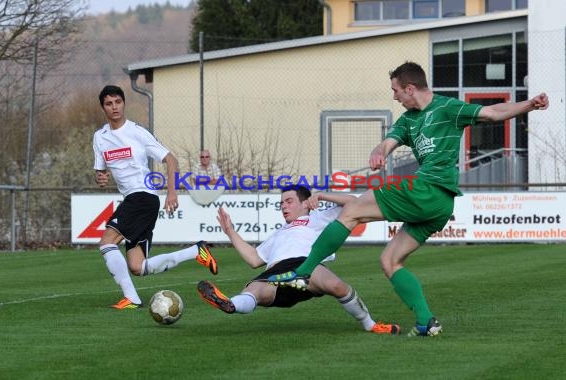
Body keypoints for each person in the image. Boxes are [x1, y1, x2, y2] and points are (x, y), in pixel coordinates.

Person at [269, 61, 549, 337]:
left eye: (396, 91)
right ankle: (426, 321)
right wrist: (380, 152)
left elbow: (492, 112)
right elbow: (388, 142)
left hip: (427, 189)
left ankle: (303, 271)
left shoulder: (447, 108)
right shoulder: (408, 120)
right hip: (439, 206)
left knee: (352, 209)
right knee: (390, 261)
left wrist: (528, 104)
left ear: (410, 88)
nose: (394, 96)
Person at [197, 185, 400, 334]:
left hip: (306, 265)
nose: (283, 206)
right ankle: (230, 304)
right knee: (254, 291)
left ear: (305, 204)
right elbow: (254, 259)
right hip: (276, 272)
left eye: (288, 201)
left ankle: (371, 325)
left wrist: (320, 195)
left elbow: (355, 203)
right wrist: (230, 231)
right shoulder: (278, 233)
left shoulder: (319, 217)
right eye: (281, 204)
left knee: (337, 286)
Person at [93, 85, 218, 309]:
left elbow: (170, 159)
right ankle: (196, 251)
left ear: (123, 103)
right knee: (137, 266)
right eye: (109, 104)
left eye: (118, 102)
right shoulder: (100, 137)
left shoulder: (137, 132)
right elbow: (100, 171)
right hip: (133, 199)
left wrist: (172, 192)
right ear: (103, 107)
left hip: (142, 196)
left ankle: (131, 298)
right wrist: (100, 178)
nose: (114, 107)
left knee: (106, 242)